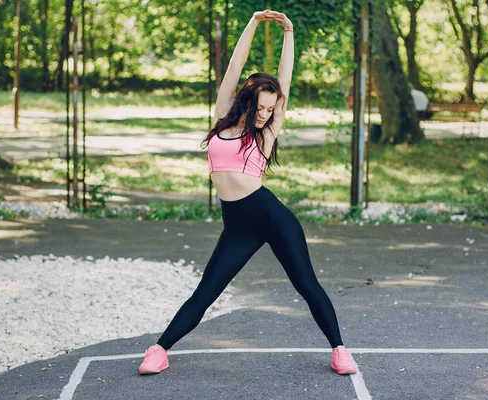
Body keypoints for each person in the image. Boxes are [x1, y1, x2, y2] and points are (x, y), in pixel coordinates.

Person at [139, 9, 358, 376]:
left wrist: (289, 33)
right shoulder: (224, 115)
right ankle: (159, 350)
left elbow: (285, 78)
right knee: (206, 292)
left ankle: (339, 350)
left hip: (271, 217)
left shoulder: (268, 131)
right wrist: (254, 23)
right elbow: (234, 65)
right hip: (238, 226)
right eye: (261, 106)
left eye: (272, 108)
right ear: (247, 100)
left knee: (307, 285)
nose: (266, 113)